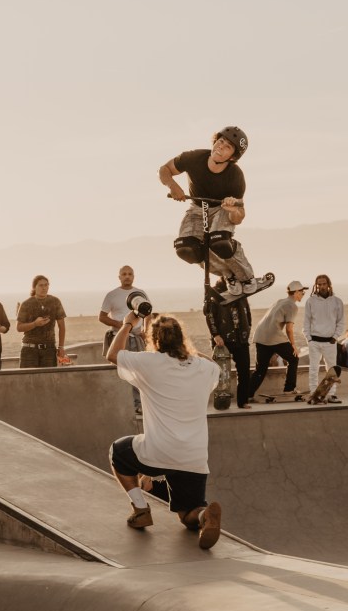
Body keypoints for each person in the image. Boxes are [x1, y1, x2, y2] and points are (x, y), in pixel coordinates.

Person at [107, 313, 222, 549]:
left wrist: (129, 323)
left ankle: (140, 509)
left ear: (155, 340)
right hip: (194, 457)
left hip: (158, 452)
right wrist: (187, 349)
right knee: (187, 514)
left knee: (118, 451)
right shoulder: (203, 368)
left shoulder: (149, 362)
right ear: (182, 339)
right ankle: (204, 516)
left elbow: (112, 354)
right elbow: (212, 364)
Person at [159, 127, 268, 301]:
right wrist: (172, 186)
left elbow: (239, 215)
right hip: (196, 207)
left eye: (227, 147)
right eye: (220, 141)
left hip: (222, 208)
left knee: (220, 242)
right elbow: (164, 169)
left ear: (232, 157)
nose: (220, 147)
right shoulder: (193, 157)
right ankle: (228, 274)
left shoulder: (235, 176)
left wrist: (233, 210)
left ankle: (246, 276)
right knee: (188, 249)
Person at [100, 265, 151, 420]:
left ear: (134, 276)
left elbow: (148, 314)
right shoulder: (112, 295)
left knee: (139, 372)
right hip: (120, 338)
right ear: (119, 277)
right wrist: (123, 326)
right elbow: (102, 317)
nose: (127, 276)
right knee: (121, 372)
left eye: (130, 274)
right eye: (124, 274)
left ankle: (139, 405)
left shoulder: (140, 293)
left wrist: (145, 330)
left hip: (137, 338)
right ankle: (122, 404)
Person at [248, 281, 307, 400]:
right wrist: (293, 345)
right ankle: (289, 389)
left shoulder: (280, 301)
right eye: (301, 292)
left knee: (260, 369)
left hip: (260, 335)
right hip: (274, 336)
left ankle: (247, 395)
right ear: (295, 292)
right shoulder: (292, 306)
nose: (303, 294)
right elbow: (289, 329)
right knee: (293, 358)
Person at [205, 278, 253, 408]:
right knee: (219, 373)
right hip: (223, 340)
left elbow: (247, 313)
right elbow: (209, 315)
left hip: (241, 339)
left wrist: (247, 328)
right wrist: (215, 335)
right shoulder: (216, 295)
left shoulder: (242, 294)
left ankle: (243, 402)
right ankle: (218, 401)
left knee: (244, 371)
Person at [303, 275, 345, 403]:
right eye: (319, 284)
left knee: (331, 369)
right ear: (316, 286)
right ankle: (313, 394)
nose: (321, 286)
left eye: (324, 284)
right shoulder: (310, 301)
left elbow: (341, 322)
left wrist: (335, 337)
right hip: (314, 341)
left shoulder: (337, 302)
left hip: (330, 342)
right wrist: (309, 339)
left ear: (328, 285)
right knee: (313, 369)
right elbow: (306, 322)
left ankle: (331, 395)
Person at [16, 275, 67, 368]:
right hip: (29, 349)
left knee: (48, 381)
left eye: (46, 285)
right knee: (28, 380)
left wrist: (61, 347)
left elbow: (62, 326)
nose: (44, 288)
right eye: (40, 285)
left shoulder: (55, 301)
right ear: (34, 287)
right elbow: (19, 327)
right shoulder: (26, 304)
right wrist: (35, 324)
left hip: (49, 349)